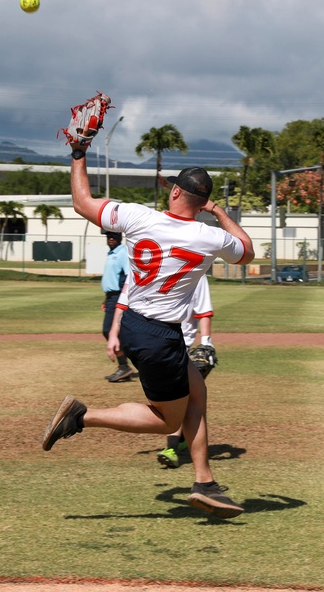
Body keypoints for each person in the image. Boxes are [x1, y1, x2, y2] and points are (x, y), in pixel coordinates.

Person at [42, 146, 255, 520]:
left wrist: (78, 153)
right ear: (202, 201)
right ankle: (81, 415)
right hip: (161, 336)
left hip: (139, 325)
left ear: (175, 192)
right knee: (168, 421)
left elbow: (82, 202)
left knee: (197, 394)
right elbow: (248, 252)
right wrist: (220, 212)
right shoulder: (211, 237)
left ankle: (204, 481)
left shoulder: (138, 216)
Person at [155, 273, 215, 469]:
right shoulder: (163, 269)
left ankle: (171, 448)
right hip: (160, 344)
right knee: (181, 400)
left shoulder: (198, 274)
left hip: (184, 346)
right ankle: (181, 441)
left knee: (180, 398)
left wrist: (206, 342)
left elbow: (203, 311)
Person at [100, 231, 133, 383]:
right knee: (116, 331)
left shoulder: (123, 252)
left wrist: (122, 298)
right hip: (112, 297)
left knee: (109, 330)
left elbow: (128, 276)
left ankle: (124, 366)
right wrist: (106, 299)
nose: (111, 238)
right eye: (108, 236)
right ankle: (124, 367)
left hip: (119, 296)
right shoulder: (112, 253)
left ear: (120, 238)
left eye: (114, 236)